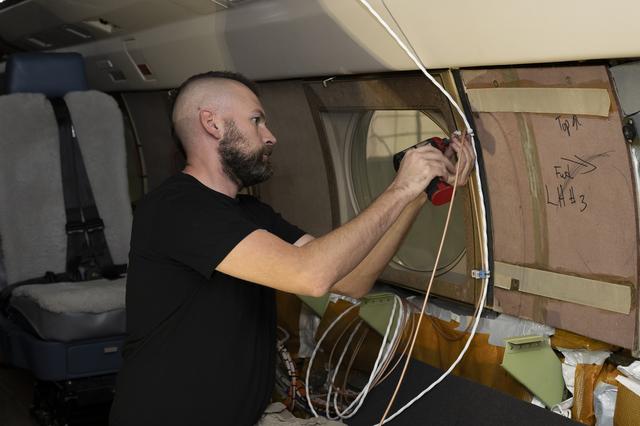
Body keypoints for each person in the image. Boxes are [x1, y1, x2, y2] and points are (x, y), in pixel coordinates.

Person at [109, 71, 475, 426]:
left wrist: (417, 194)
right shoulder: (177, 207)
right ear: (212, 123)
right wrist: (399, 188)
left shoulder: (251, 213)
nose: (270, 136)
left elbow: (352, 281)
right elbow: (310, 275)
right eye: (256, 121)